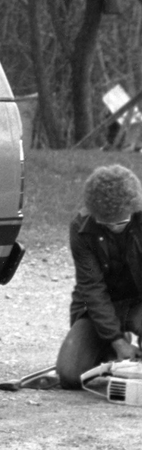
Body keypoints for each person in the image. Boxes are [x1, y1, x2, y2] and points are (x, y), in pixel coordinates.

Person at [57, 164, 142, 388]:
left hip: (138, 305)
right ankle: (111, 346)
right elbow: (92, 289)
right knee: (70, 376)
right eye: (106, 223)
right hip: (98, 307)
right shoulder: (81, 227)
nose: (114, 228)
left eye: (121, 222)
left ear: (133, 208)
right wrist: (117, 341)